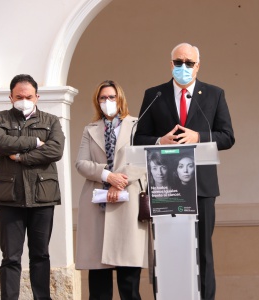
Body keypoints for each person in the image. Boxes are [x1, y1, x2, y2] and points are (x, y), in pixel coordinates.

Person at [134, 42, 235, 300]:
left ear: (198, 65)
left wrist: (198, 136)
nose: (184, 67)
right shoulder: (154, 95)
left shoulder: (214, 94)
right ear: (171, 64)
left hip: (201, 186)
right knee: (168, 250)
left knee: (203, 251)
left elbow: (227, 137)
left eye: (189, 63)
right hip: (166, 187)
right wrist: (160, 141)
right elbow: (138, 138)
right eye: (179, 62)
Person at [0, 74, 65, 300]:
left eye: (28, 96)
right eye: (19, 96)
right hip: (9, 197)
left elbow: (55, 151)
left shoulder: (51, 121)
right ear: (10, 97)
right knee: (11, 257)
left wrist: (21, 158)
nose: (24, 100)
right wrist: (34, 142)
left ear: (37, 97)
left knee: (40, 255)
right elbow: (0, 144)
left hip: (42, 196)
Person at [75, 80, 148, 300]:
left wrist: (121, 181)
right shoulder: (90, 129)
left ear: (121, 99)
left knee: (129, 285)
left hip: (128, 204)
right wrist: (108, 175)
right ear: (97, 102)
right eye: (103, 98)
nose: (108, 101)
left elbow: (144, 159)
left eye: (112, 97)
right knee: (99, 288)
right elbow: (81, 163)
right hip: (98, 205)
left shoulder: (137, 125)